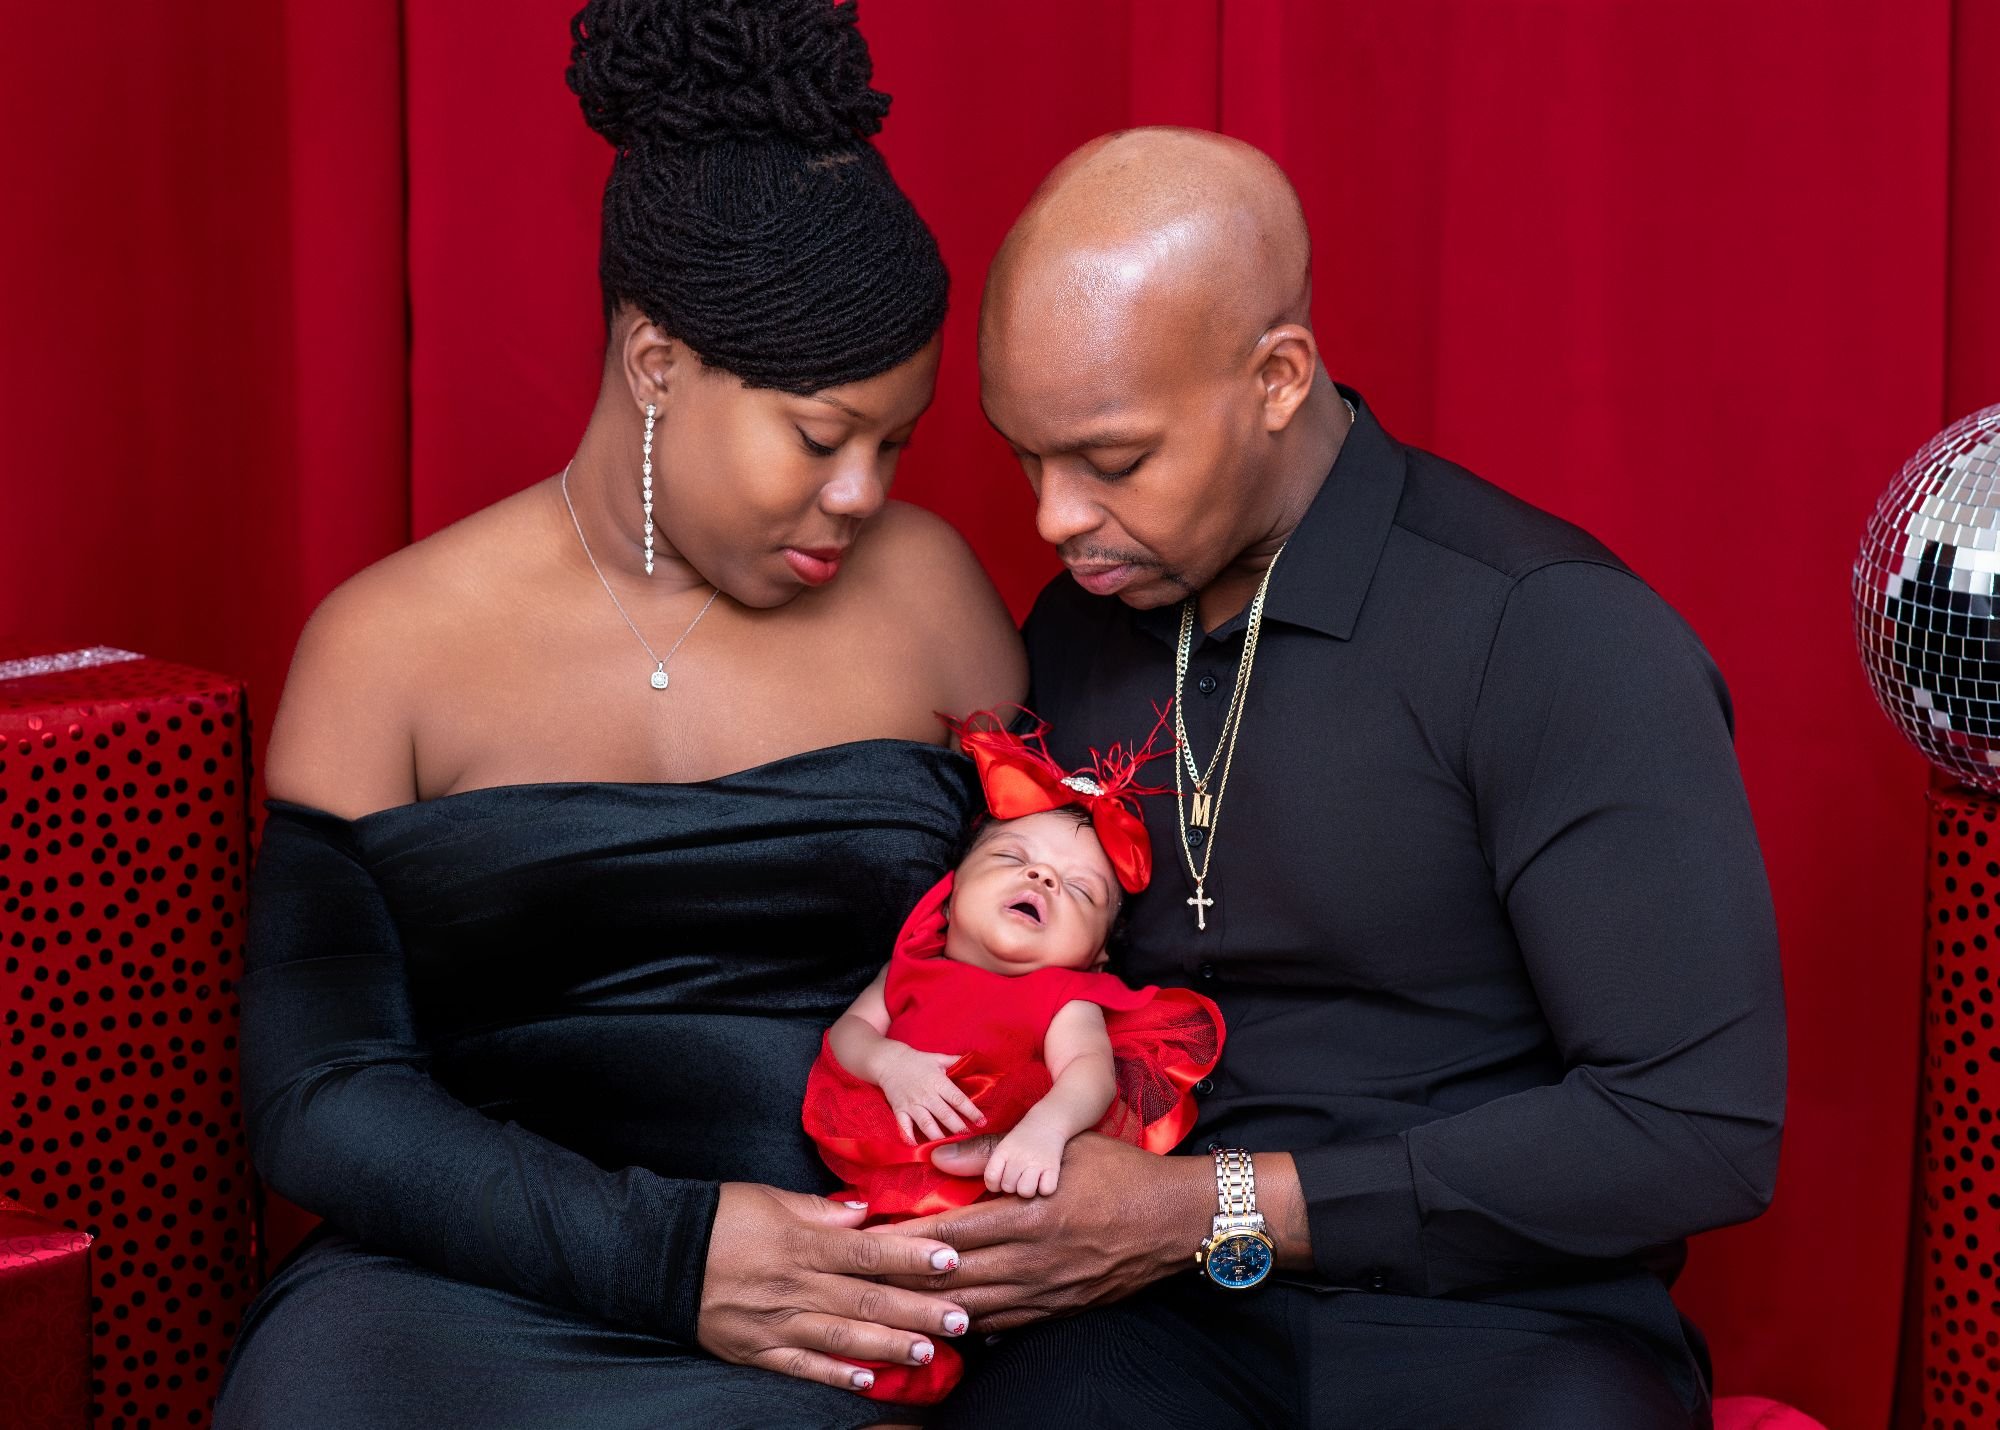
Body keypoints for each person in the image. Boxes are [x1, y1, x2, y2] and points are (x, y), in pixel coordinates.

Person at [901, 128, 1787, 1429]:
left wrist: (1207, 1205)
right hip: (1146, 1319)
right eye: (1026, 457)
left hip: (1507, 1323)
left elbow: (1693, 1125)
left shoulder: (1550, 630)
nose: (1054, 517)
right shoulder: (1073, 630)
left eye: (1113, 460)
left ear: (1276, 378)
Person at [213, 3, 1023, 1426]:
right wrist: (666, 1253)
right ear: (655, 362)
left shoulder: (933, 598)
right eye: (819, 435)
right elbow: (318, 1093)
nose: (862, 494)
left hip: (858, 1272)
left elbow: (1050, 933)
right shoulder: (384, 646)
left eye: (894, 442)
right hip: (475, 1276)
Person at [805, 715, 1224, 1405]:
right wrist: (890, 1063)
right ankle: (891, 1359)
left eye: (1080, 890)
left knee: (988, 1279)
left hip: (1005, 1190)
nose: (1042, 877)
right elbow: (848, 1035)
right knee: (851, 1264)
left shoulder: (1063, 996)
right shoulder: (911, 970)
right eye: (1012, 859)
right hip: (895, 1180)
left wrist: (1044, 1131)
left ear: (1097, 955)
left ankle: (955, 1352)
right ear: (952, 889)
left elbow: (1089, 1074)